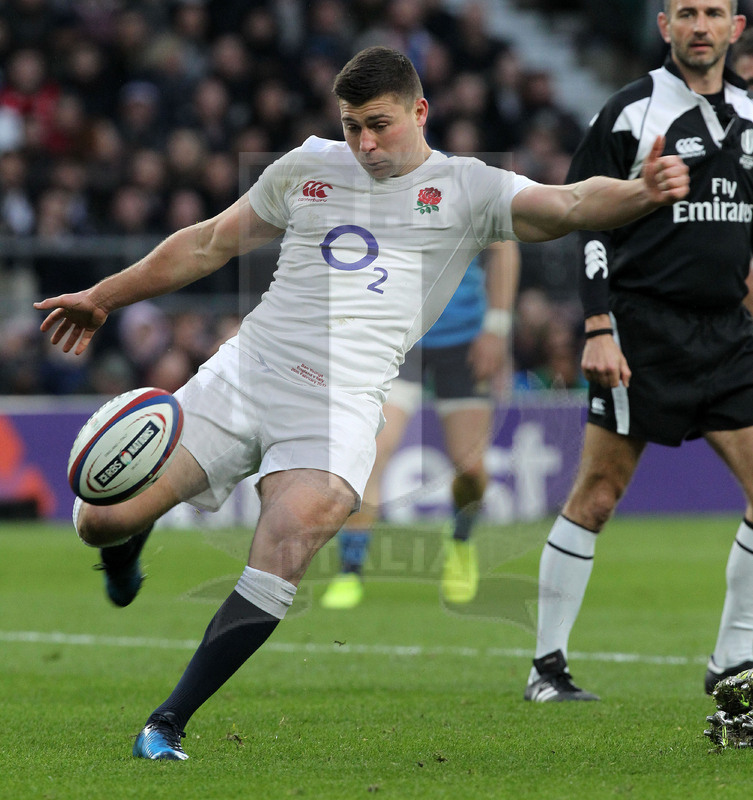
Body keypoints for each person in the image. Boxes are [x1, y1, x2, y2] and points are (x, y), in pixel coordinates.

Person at [34, 46, 688, 760]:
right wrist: (102, 297)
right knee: (98, 520)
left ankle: (166, 722)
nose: (365, 144)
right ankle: (126, 545)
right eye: (350, 127)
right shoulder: (307, 166)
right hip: (246, 373)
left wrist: (642, 192)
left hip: (340, 403)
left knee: (291, 536)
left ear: (419, 111)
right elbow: (207, 244)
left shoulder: (467, 188)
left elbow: (566, 204)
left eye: (378, 125)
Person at [524, 0, 753, 704]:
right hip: (640, 329)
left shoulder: (750, 115)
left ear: (734, 28)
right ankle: (546, 668)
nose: (699, 25)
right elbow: (582, 219)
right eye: (685, 11)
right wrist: (597, 326)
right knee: (596, 497)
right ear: (663, 26)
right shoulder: (628, 112)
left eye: (713, 12)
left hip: (726, 333)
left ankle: (731, 661)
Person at [320, 239, 519, 609]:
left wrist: (497, 328)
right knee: (373, 451)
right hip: (399, 335)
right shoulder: (385, 181)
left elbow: (504, 246)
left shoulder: (472, 180)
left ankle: (460, 541)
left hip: (466, 339)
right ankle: (350, 570)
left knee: (472, 469)